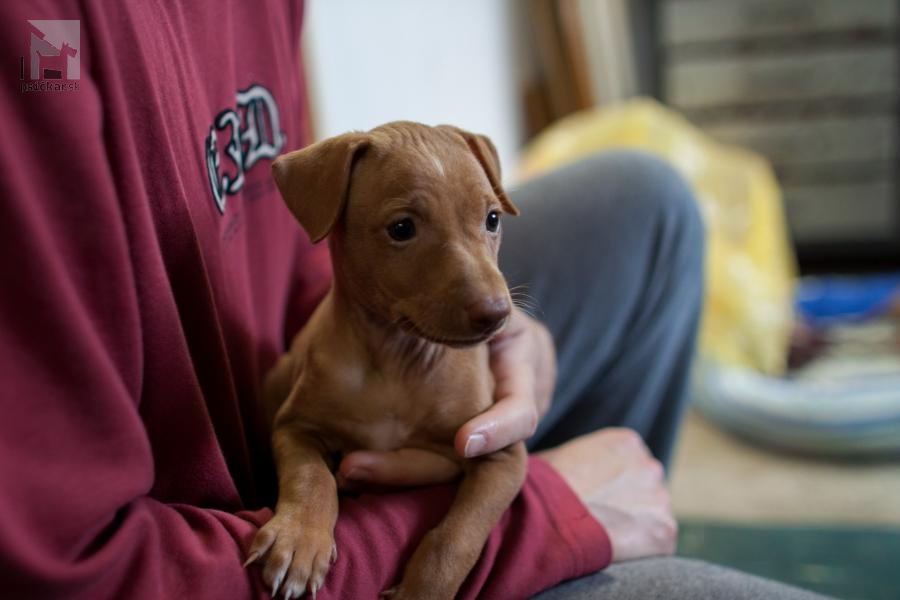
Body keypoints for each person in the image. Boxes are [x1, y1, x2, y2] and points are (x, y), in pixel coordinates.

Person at [0, 1, 827, 599]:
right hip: (229, 546)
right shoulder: (40, 42)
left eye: (494, 221)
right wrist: (543, 522)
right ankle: (616, 545)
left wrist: (493, 343)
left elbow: (301, 248)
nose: (493, 294)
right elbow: (71, 571)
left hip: (348, 380)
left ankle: (622, 528)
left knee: (646, 207)